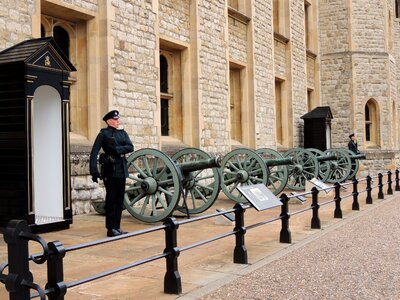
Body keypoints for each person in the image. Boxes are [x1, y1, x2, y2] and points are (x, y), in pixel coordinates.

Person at [90, 110, 134, 237]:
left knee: (119, 201)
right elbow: (94, 152)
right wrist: (94, 170)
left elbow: (130, 147)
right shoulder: (103, 134)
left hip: (121, 169)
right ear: (109, 121)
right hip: (110, 170)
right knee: (111, 200)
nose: (117, 121)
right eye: (115, 120)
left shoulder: (123, 133)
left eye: (118, 119)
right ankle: (111, 228)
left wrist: (116, 149)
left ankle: (117, 227)